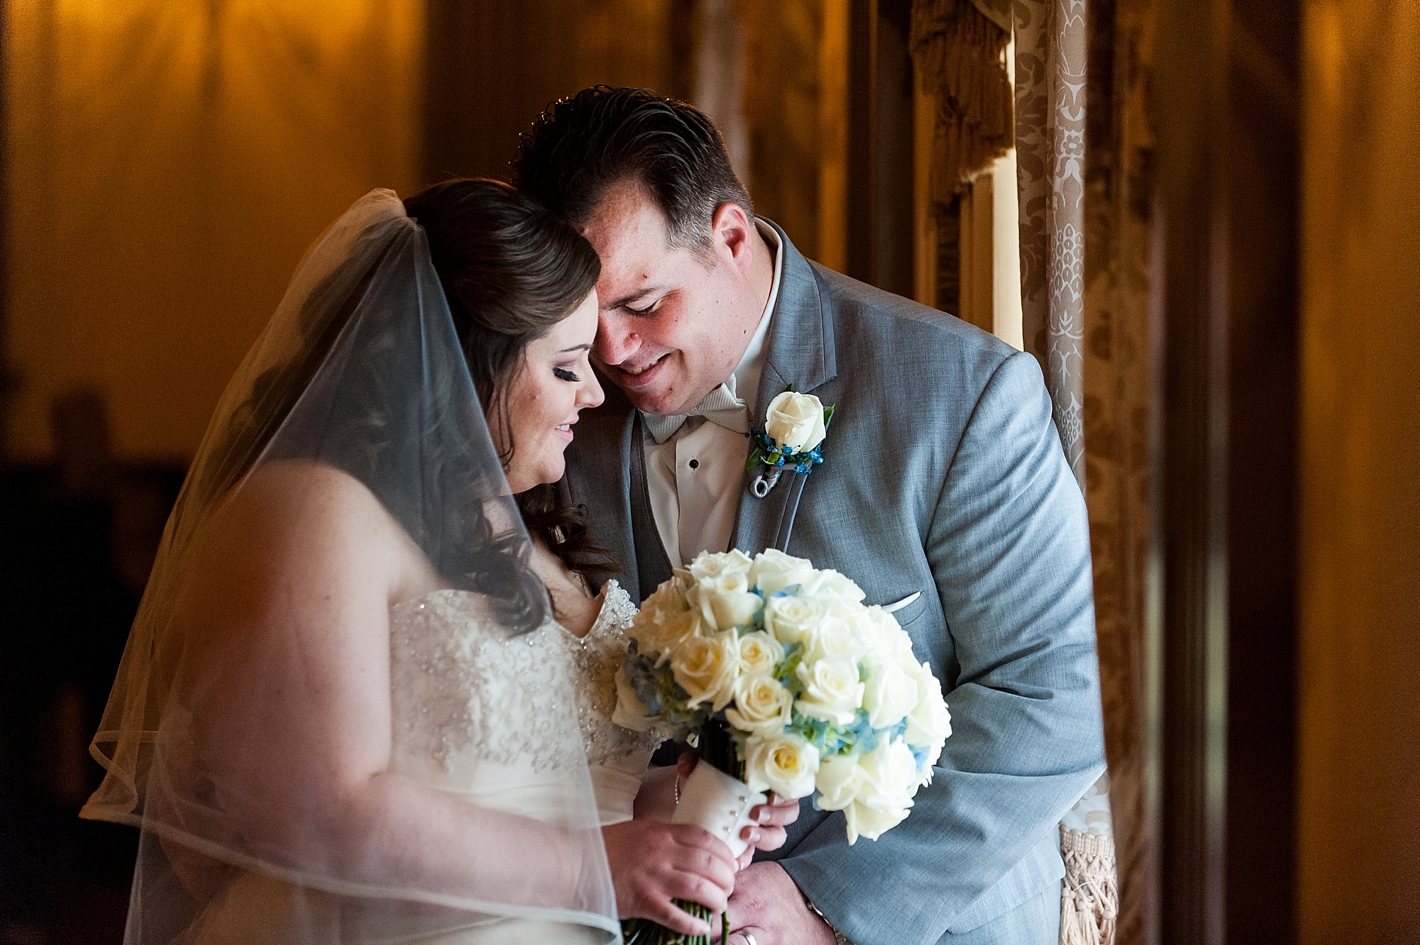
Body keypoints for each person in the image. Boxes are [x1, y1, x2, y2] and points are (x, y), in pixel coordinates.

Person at [79, 179, 793, 944]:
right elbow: (321, 810)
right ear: (460, 364)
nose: (593, 390)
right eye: (564, 365)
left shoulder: (523, 521)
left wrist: (687, 802)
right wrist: (599, 866)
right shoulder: (313, 507)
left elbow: (538, 784)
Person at [512, 87, 1107, 945]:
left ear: (730, 236)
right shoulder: (553, 414)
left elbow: (1062, 691)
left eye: (641, 305)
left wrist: (829, 903)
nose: (608, 355)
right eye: (579, 316)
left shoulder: (962, 399)